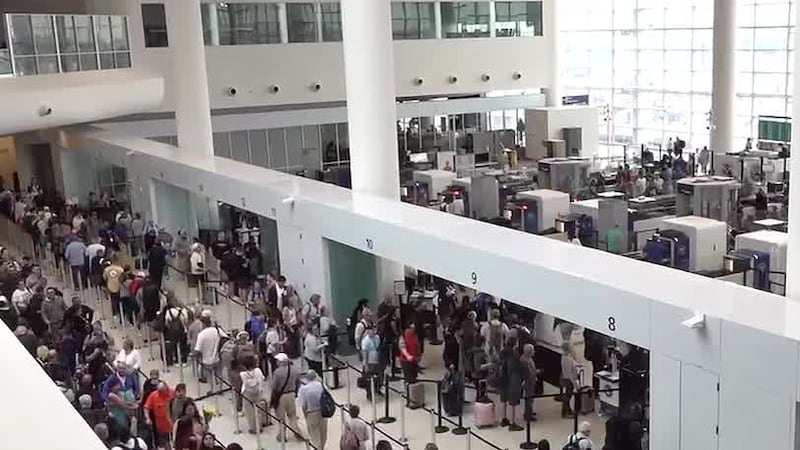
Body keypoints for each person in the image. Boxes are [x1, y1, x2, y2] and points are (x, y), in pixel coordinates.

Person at [271, 353, 300, 442]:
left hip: (281, 397)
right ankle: (297, 432)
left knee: (281, 418)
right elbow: (297, 383)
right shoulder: (295, 370)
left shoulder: (277, 372)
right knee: (292, 416)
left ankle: (282, 436)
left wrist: (272, 400)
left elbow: (274, 387)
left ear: (280, 362)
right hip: (291, 394)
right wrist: (295, 392)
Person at [298, 370, 328, 450]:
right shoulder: (322, 385)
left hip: (311, 413)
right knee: (323, 434)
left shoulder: (304, 389)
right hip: (323, 412)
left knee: (314, 436)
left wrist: (305, 416)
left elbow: (303, 405)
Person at [194, 315, 227, 386]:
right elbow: (226, 337)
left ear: (203, 324)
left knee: (209, 377)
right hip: (217, 358)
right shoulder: (216, 330)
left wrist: (196, 357)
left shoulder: (201, 335)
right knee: (219, 375)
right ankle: (220, 388)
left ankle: (212, 390)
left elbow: (197, 349)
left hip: (206, 360)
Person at [240, 353, 268, 434]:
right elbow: (262, 378)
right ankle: (259, 426)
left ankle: (253, 427)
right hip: (258, 392)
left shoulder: (243, 374)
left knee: (249, 411)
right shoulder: (258, 371)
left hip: (247, 393)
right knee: (258, 410)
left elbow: (245, 383)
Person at [144, 381, 175, 450]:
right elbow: (146, 408)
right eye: (159, 391)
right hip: (161, 426)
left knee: (174, 443)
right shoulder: (154, 395)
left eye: (162, 391)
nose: (160, 393)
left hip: (173, 424)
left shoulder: (173, 393)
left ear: (167, 389)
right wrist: (147, 418)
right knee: (164, 443)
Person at [360, 326, 382, 399]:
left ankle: (377, 389)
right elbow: (364, 353)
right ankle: (369, 394)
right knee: (369, 378)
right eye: (369, 330)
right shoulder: (365, 341)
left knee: (379, 377)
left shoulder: (377, 338)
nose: (371, 332)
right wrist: (365, 364)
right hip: (370, 361)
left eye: (372, 330)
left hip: (377, 360)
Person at [560, 342, 579, 418]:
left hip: (568, 379)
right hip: (568, 380)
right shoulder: (566, 358)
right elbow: (569, 373)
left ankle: (569, 410)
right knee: (567, 397)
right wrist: (575, 383)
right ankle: (565, 413)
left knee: (568, 396)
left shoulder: (566, 356)